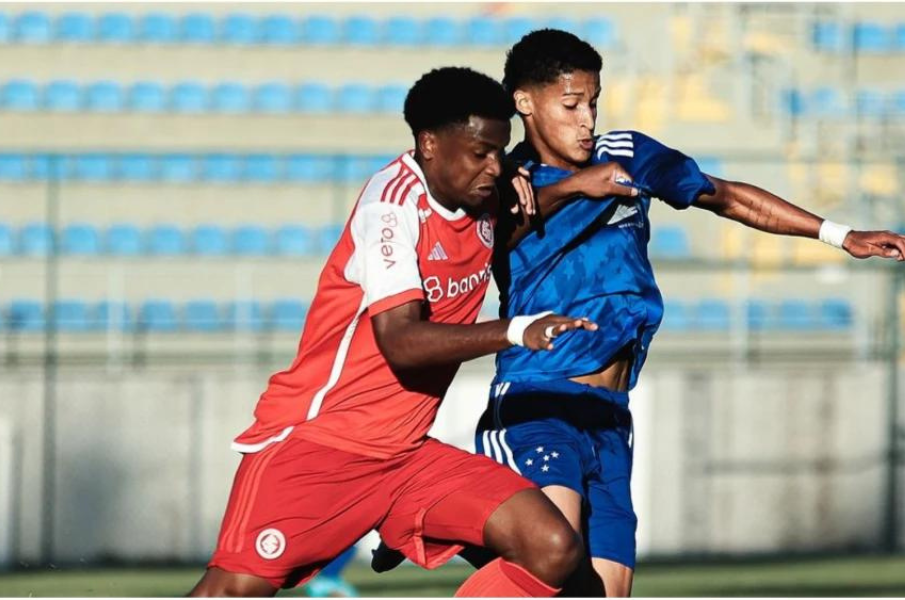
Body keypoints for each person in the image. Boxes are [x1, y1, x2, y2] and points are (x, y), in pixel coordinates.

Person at [374, 29, 905, 596]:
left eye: (594, 102)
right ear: (525, 103)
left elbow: (723, 196)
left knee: (603, 591)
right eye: (571, 104)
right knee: (548, 557)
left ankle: (448, 521)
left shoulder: (629, 155)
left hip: (610, 412)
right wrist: (580, 187)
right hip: (539, 398)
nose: (587, 119)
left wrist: (840, 234)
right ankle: (435, 514)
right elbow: (493, 235)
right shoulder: (505, 181)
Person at [188, 66, 600, 598]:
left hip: (405, 457)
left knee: (554, 549)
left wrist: (574, 186)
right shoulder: (392, 207)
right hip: (320, 448)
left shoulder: (480, 199)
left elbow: (501, 229)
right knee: (229, 592)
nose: (496, 167)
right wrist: (518, 331)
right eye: (481, 153)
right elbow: (403, 344)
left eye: (501, 152)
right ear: (430, 144)